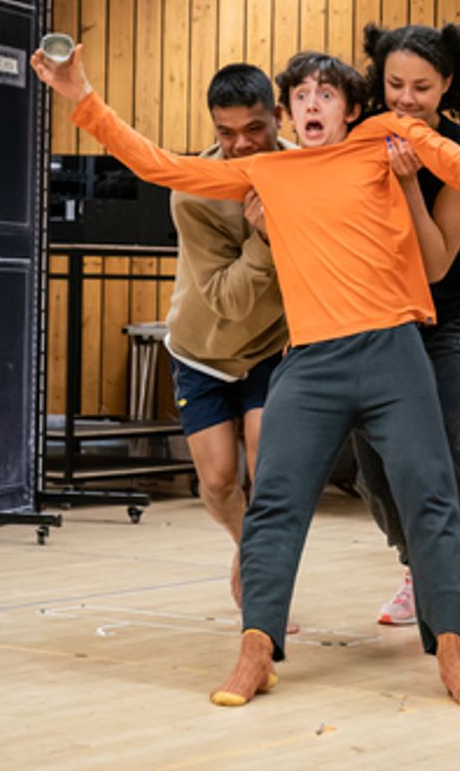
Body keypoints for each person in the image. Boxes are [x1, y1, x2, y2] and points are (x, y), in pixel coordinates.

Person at [30, 44, 460, 711]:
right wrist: (83, 97)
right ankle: (257, 645)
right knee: (272, 500)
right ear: (287, 112)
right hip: (311, 361)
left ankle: (451, 646)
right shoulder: (265, 171)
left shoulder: (388, 136)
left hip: (394, 350)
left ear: (353, 107)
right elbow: (159, 165)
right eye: (300, 95)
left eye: (326, 93)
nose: (312, 103)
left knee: (431, 494)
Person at [351, 23, 460, 627]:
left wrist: (409, 181)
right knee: (373, 460)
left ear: (446, 86)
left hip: (443, 317)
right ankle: (415, 560)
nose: (406, 99)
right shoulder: (359, 134)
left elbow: (437, 262)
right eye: (394, 85)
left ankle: (441, 579)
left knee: (434, 451)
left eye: (421, 87)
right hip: (374, 315)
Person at [163, 63, 291, 610]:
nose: (241, 144)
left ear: (277, 116)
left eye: (254, 129)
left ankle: (262, 575)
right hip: (203, 348)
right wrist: (265, 236)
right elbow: (230, 299)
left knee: (269, 472)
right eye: (226, 133)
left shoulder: (304, 170)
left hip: (271, 349)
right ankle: (248, 546)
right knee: (216, 483)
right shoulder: (192, 191)